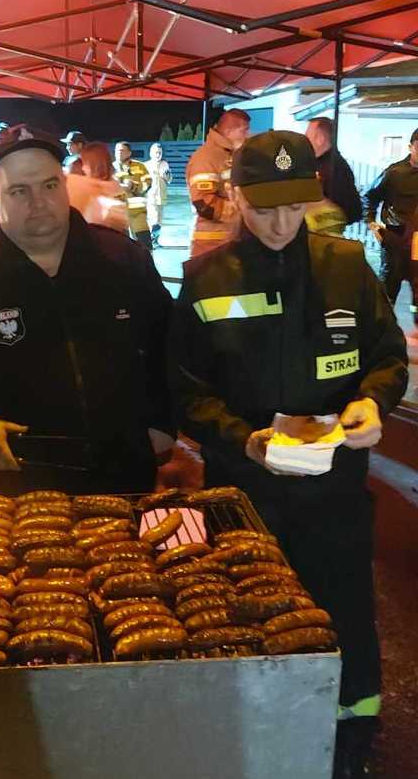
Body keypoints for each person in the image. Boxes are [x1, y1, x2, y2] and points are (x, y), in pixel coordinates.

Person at [172, 129, 408, 729]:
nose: (281, 224)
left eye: (296, 206)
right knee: (248, 601)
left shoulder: (347, 266)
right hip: (244, 489)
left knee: (343, 595)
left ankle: (355, 704)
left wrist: (373, 404)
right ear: (236, 196)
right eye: (265, 207)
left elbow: (386, 359)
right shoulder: (206, 277)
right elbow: (184, 390)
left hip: (335, 483)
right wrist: (242, 437)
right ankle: (255, 717)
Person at [0, 125, 174, 495]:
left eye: (49, 185)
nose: (38, 202)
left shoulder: (124, 260)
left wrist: (163, 424)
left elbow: (169, 348)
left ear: (65, 185)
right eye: (19, 191)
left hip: (124, 475)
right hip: (16, 484)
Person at [365, 127, 418, 336]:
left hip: (417, 241)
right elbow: (369, 197)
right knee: (388, 289)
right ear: (410, 147)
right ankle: (380, 334)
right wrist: (371, 224)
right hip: (394, 239)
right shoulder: (394, 173)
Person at [185, 109, 250, 257]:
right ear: (228, 131)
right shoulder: (206, 157)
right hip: (212, 245)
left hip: (230, 240)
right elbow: (203, 204)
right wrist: (244, 210)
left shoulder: (230, 155)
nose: (247, 136)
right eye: (244, 131)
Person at [304, 116, 362, 236]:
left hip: (324, 240)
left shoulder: (336, 168)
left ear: (320, 139)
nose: (304, 141)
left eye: (307, 136)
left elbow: (352, 211)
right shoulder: (315, 164)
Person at [66, 141, 128, 232]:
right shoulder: (115, 186)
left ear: (95, 165)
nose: (83, 168)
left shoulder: (83, 185)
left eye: (86, 163)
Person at [113, 141, 152, 249]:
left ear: (129, 153)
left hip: (137, 214)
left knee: (144, 245)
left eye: (121, 150)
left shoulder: (140, 166)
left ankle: (146, 264)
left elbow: (148, 184)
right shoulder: (110, 168)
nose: (118, 153)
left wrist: (134, 187)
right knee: (121, 247)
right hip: (119, 214)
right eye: (116, 151)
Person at [146, 142, 173, 247]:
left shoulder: (165, 164)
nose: (158, 155)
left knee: (160, 220)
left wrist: (166, 175)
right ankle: (151, 241)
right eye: (156, 152)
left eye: (160, 153)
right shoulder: (146, 165)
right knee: (154, 218)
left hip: (162, 196)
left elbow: (169, 179)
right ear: (151, 153)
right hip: (151, 197)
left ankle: (156, 240)